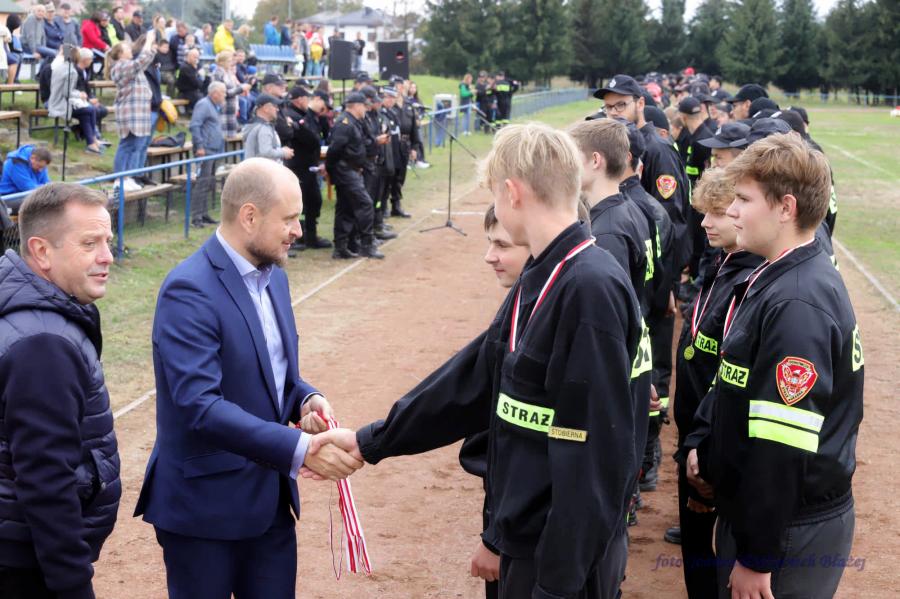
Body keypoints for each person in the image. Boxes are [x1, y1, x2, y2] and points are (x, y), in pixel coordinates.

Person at [307, 123, 641, 599]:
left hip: (560, 562)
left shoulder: (589, 286)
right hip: (524, 542)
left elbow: (594, 457)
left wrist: (558, 585)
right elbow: (473, 380)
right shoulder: (543, 274)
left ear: (512, 192)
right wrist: (370, 441)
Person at [134, 158, 363, 599]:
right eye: (289, 218)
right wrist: (300, 449)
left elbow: (273, 373)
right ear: (250, 216)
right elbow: (200, 406)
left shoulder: (274, 278)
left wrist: (305, 397)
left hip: (269, 504)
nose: (298, 230)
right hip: (204, 511)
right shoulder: (189, 290)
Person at [689, 133, 863, 599]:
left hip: (786, 530)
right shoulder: (778, 275)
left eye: (744, 200)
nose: (732, 211)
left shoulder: (797, 303)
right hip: (768, 517)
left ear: (786, 208)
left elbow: (782, 444)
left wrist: (758, 556)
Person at [0, 182, 121, 599]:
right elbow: (47, 482)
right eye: (90, 243)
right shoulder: (43, 341)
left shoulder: (36, 314)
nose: (107, 256)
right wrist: (73, 587)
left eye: (108, 241)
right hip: (23, 564)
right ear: (41, 251)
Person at [669, 167, 763, 598]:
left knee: (709, 564)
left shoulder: (748, 279)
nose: (705, 222)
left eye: (718, 213)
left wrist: (705, 464)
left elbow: (730, 383)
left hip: (711, 453)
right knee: (696, 557)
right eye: (704, 213)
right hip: (694, 441)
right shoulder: (722, 263)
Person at [326, 92, 383, 259]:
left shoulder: (355, 122)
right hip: (345, 170)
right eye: (364, 106)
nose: (366, 109)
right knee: (365, 204)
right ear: (356, 106)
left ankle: (341, 247)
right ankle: (367, 244)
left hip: (352, 169)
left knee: (346, 208)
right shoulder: (344, 124)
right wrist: (331, 170)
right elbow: (334, 150)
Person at [281, 86, 332, 250]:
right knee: (297, 205)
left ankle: (310, 236)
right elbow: (311, 139)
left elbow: (321, 135)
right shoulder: (292, 114)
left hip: (309, 165)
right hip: (297, 167)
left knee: (313, 201)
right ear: (301, 99)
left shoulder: (307, 116)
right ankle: (296, 238)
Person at [110, 33, 156, 193]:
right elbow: (141, 61)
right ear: (120, 54)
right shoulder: (120, 66)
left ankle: (128, 177)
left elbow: (144, 59)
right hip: (130, 112)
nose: (130, 50)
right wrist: (148, 42)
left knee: (136, 145)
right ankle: (119, 179)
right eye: (127, 49)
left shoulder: (128, 65)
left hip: (139, 113)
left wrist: (149, 43)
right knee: (127, 145)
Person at [48, 45, 105, 155]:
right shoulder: (71, 71)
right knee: (90, 109)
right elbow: (67, 92)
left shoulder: (60, 67)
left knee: (86, 114)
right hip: (61, 104)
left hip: (60, 101)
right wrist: (80, 94)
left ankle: (91, 143)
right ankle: (93, 139)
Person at [361, 86, 398, 242]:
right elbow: (368, 139)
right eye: (375, 101)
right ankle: (369, 231)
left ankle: (377, 224)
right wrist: (378, 140)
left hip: (380, 160)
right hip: (369, 163)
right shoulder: (365, 117)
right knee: (369, 200)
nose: (378, 103)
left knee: (378, 198)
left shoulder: (377, 115)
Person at [189, 81, 227, 227]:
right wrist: (199, 146)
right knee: (202, 183)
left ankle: (204, 214)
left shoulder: (214, 106)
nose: (225, 95)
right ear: (215, 93)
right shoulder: (203, 104)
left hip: (214, 149)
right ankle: (196, 218)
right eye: (223, 92)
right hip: (205, 150)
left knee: (208, 183)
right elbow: (195, 125)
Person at [243, 93, 294, 164]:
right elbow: (266, 152)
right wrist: (283, 152)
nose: (277, 109)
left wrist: (281, 150)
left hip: (255, 168)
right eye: (275, 106)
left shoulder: (254, 125)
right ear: (266, 108)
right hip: (261, 169)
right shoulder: (263, 127)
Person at [210, 50, 248, 139]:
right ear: (222, 62)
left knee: (231, 137)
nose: (231, 63)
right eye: (229, 61)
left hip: (230, 109)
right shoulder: (218, 73)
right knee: (222, 137)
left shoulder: (227, 72)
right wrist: (240, 89)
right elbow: (222, 92)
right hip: (223, 109)